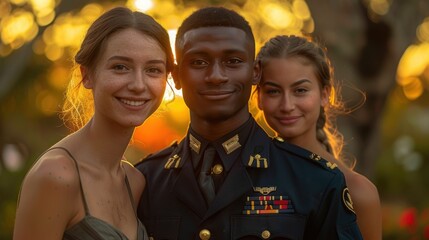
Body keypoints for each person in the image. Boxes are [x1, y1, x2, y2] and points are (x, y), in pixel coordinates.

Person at [136, 7, 363, 240]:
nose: (216, 76)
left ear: (255, 72)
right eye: (199, 62)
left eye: (233, 61)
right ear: (176, 75)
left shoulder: (316, 182)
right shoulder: (145, 182)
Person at [13, 6, 174, 240]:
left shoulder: (134, 181)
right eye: (120, 67)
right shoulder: (56, 175)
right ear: (87, 75)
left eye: (153, 70)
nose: (139, 84)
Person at [255, 35, 382, 240]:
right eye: (273, 91)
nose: (287, 105)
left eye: (300, 90)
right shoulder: (246, 178)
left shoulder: (357, 191)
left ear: (325, 94)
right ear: (259, 97)